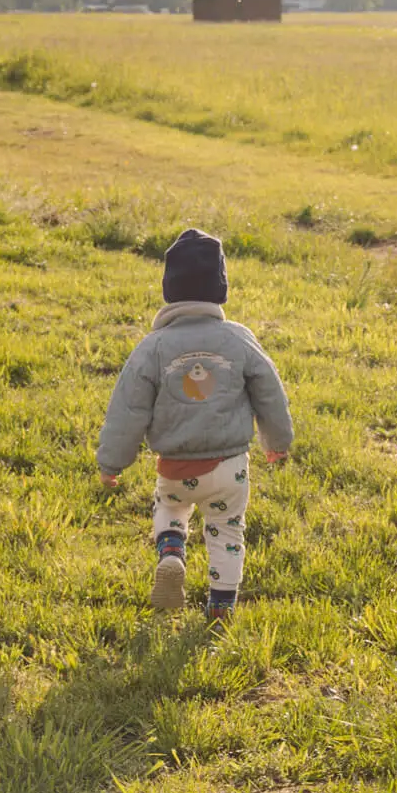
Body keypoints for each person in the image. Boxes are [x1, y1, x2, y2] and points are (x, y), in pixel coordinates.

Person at [96, 228, 293, 624]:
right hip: (228, 468)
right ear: (221, 289)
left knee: (169, 506)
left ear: (169, 289)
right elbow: (270, 391)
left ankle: (171, 550)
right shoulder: (238, 338)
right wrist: (278, 441)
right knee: (226, 530)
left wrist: (111, 463)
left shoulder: (152, 347)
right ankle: (220, 610)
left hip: (175, 466)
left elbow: (127, 410)